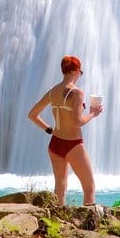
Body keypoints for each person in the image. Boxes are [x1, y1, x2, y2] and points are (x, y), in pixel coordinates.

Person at [28, 55, 103, 206]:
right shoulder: (77, 93)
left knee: (60, 188)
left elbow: (32, 115)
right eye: (80, 72)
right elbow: (77, 122)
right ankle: (88, 220)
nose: (80, 75)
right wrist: (93, 114)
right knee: (89, 187)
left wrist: (49, 129)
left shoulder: (52, 91)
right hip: (73, 145)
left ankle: (58, 218)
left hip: (55, 144)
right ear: (75, 71)